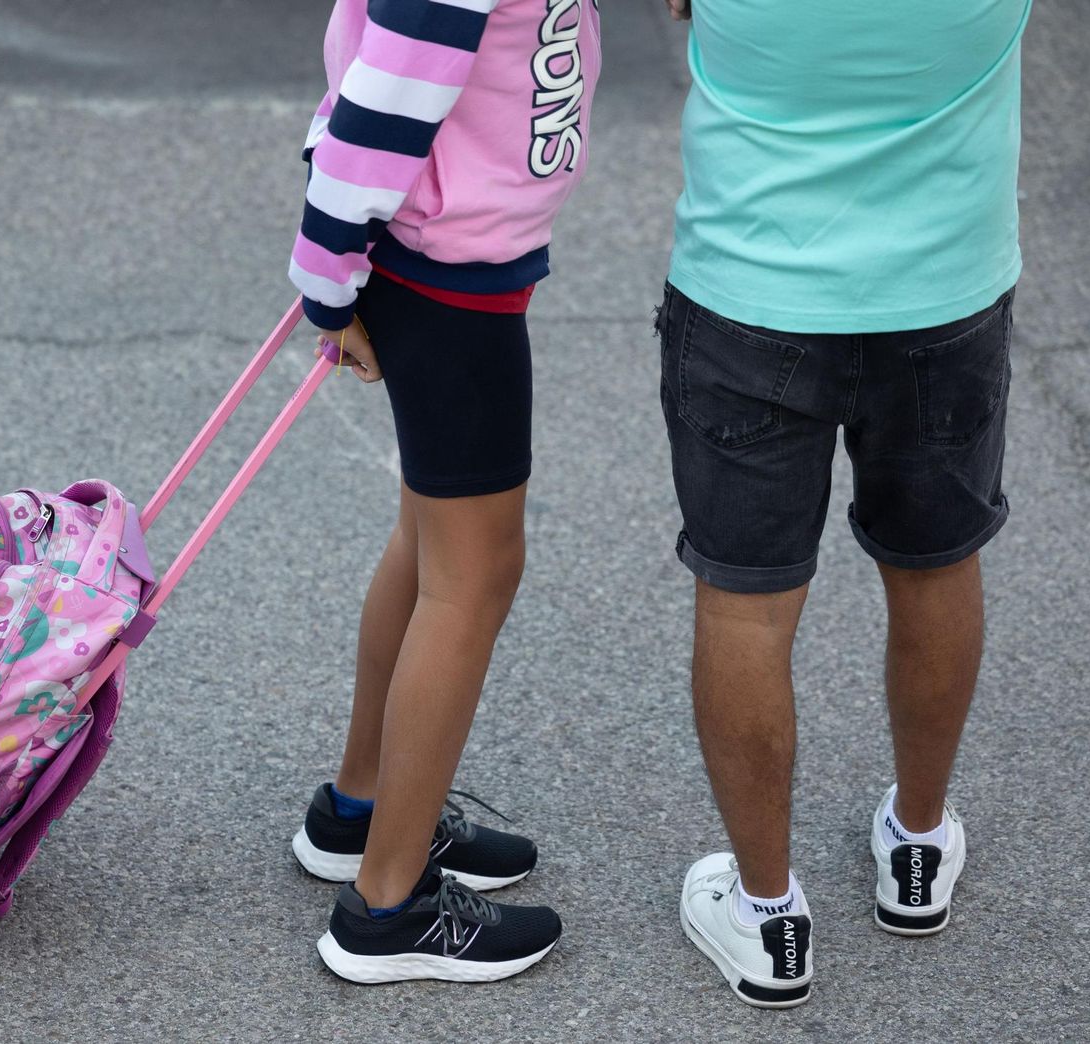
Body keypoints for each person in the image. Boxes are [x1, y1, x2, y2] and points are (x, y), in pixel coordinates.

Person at [656, 0, 1030, 1008]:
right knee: (936, 565)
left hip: (746, 295)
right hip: (946, 293)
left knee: (745, 601)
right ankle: (915, 844)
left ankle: (768, 916)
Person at [284, 0, 601, 984]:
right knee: (473, 576)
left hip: (457, 256)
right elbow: (378, 97)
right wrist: (326, 284)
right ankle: (388, 905)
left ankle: (366, 807)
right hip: (440, 274)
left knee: (432, 544)